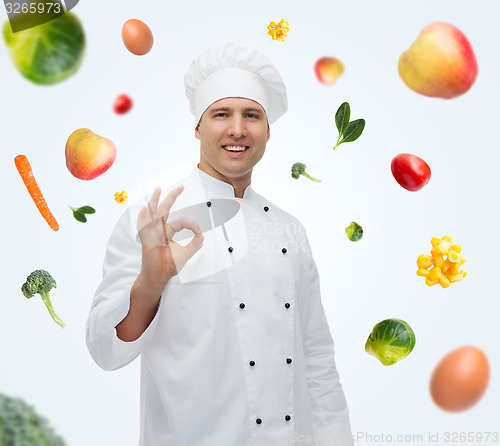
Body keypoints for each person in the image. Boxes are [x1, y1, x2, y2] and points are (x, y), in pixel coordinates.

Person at [86, 42, 353, 446]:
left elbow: (316, 359)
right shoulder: (152, 219)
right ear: (197, 127)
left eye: (251, 115)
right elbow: (105, 352)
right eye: (221, 114)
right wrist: (150, 285)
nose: (237, 129)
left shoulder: (289, 229)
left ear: (267, 131)